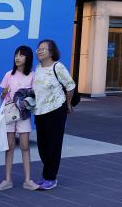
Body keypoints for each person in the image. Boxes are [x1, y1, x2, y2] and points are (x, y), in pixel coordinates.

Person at [0, 46, 38, 192]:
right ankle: (7, 180)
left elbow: (34, 97)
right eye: (16, 55)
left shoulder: (32, 75)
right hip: (9, 114)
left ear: (28, 58)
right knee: (10, 147)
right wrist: (4, 93)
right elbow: (2, 97)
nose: (17, 58)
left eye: (21, 55)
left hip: (24, 115)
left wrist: (26, 100)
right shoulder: (9, 74)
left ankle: (28, 180)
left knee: (25, 146)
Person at [32, 38, 75, 191]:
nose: (39, 51)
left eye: (43, 49)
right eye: (38, 48)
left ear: (51, 52)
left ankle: (51, 177)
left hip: (56, 110)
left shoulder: (58, 67)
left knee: (53, 145)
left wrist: (68, 103)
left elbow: (70, 86)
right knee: (43, 146)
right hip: (40, 111)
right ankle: (46, 174)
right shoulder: (38, 68)